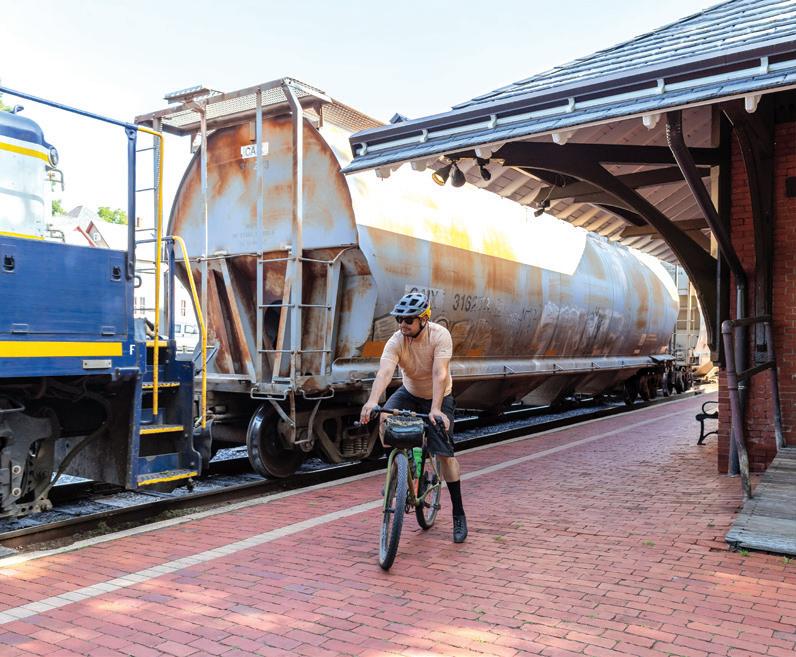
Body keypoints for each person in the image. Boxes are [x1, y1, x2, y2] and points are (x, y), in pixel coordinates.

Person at [360, 292, 468, 543]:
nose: (402, 324)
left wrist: (436, 409)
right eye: (399, 319)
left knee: (446, 456)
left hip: (439, 396)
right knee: (384, 418)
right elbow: (385, 372)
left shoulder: (440, 336)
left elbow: (440, 374)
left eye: (408, 320)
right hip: (409, 392)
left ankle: (459, 514)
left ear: (424, 319)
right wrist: (373, 401)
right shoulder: (396, 340)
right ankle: (399, 472)